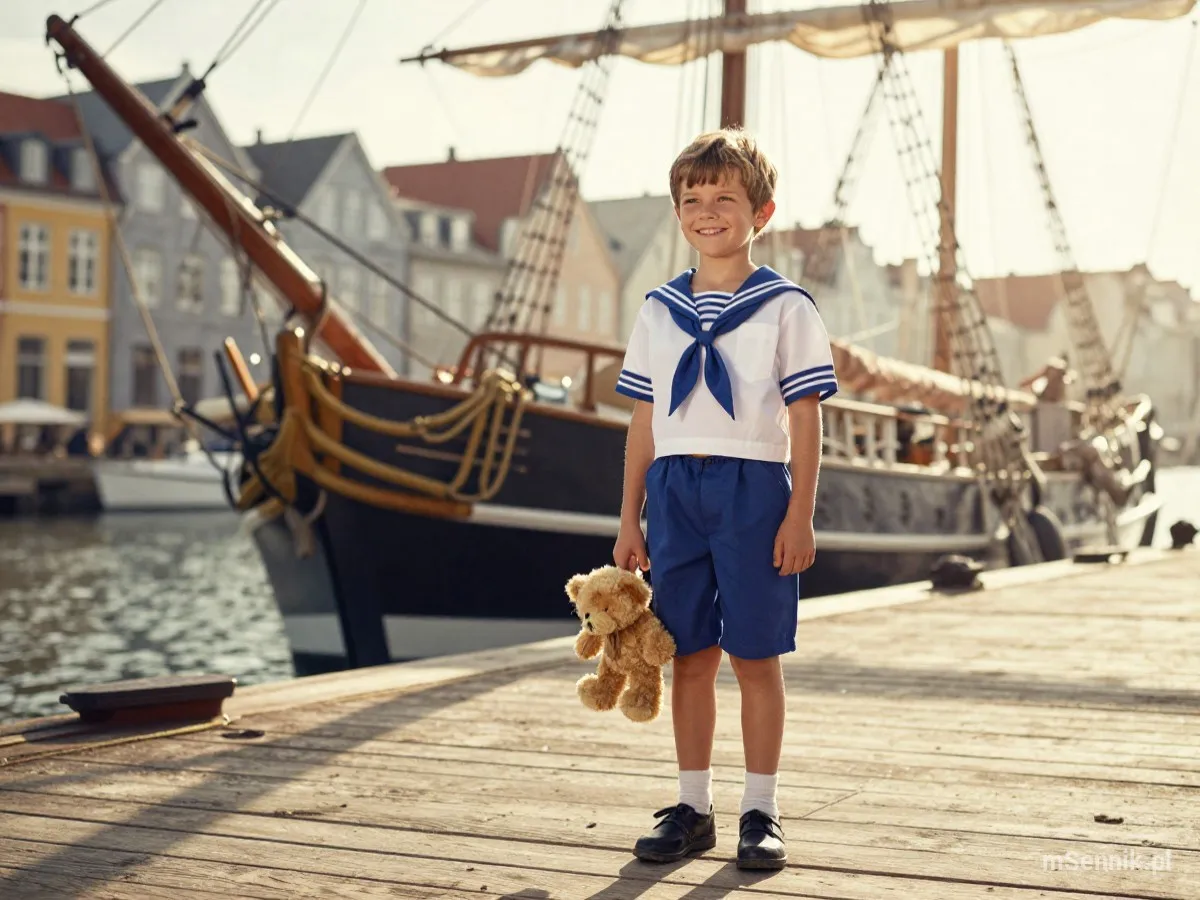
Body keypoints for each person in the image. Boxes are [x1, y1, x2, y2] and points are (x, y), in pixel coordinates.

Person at [612, 127, 838, 871]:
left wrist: (799, 511)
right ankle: (692, 805)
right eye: (692, 199)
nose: (707, 211)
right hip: (675, 490)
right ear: (678, 212)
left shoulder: (786, 307)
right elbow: (644, 422)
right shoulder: (657, 310)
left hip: (753, 489)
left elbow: (805, 417)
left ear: (760, 212)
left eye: (724, 198)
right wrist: (629, 520)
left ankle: (761, 811)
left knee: (757, 655)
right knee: (688, 655)